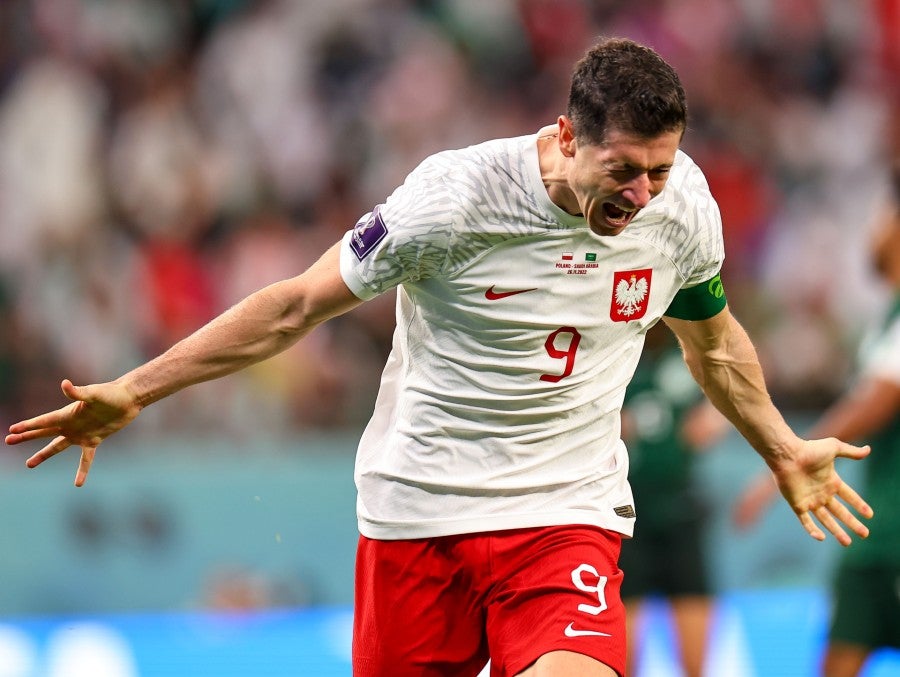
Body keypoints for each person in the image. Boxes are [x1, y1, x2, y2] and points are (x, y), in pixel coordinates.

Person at [4, 38, 873, 677]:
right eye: (625, 169)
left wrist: (781, 444)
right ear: (567, 136)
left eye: (661, 167)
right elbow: (297, 305)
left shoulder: (680, 210)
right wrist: (137, 389)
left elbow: (713, 343)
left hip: (564, 511)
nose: (643, 193)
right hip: (419, 512)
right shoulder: (453, 201)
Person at [732, 164, 900, 677]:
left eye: (884, 218)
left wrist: (790, 455)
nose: (874, 230)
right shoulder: (888, 313)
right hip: (879, 528)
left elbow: (880, 398)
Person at [619, 323, 729, 677]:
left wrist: (718, 414)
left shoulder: (687, 353)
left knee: (696, 661)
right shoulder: (615, 355)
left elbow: (739, 369)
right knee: (621, 658)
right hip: (625, 516)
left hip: (680, 510)